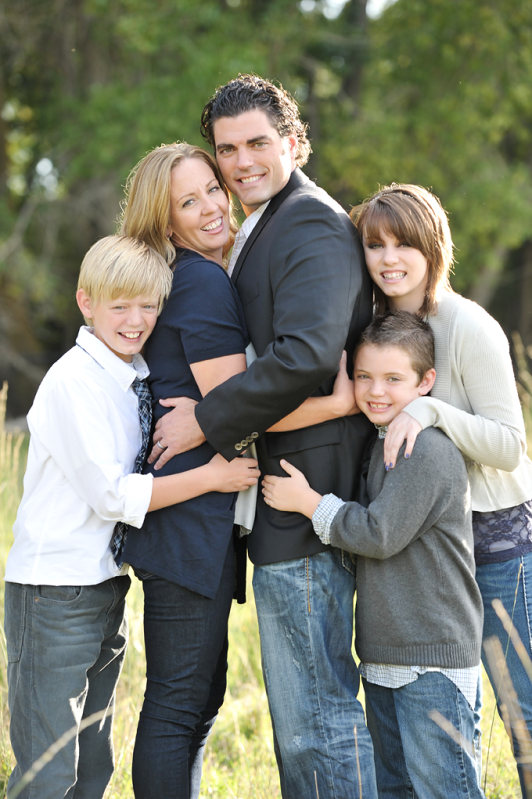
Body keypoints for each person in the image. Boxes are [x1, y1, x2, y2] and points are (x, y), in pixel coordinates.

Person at [147, 75, 378, 799]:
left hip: (304, 503)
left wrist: (208, 417)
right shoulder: (260, 228)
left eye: (257, 144)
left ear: (293, 141)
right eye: (227, 150)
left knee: (316, 721)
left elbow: (306, 354)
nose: (241, 162)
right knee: (303, 720)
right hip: (280, 502)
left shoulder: (305, 220)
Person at [3, 235, 259, 799]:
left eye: (149, 306)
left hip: (103, 587)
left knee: (93, 766)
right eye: (120, 306)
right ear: (85, 303)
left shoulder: (132, 374)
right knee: (48, 770)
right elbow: (112, 497)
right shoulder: (75, 381)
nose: (136, 320)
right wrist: (213, 478)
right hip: (52, 593)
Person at [352, 183, 532, 797]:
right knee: (442, 723)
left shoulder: (469, 325)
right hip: (427, 554)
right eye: (375, 244)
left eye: (404, 242)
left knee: (522, 713)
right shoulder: (377, 330)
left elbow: (510, 444)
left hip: (496, 545)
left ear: (434, 247)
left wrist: (432, 413)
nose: (389, 257)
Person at [262, 310, 486, 799]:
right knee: (396, 789)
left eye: (392, 379)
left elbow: (379, 533)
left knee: (446, 789)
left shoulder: (426, 450)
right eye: (364, 376)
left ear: (425, 382)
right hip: (385, 658)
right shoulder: (382, 443)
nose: (375, 391)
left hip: (433, 660)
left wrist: (310, 503)